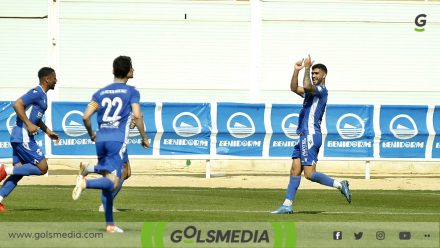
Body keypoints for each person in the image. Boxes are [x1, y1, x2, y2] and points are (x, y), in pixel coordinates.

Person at [72, 56, 149, 233]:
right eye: (133, 68)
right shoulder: (131, 92)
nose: (134, 70)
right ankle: (85, 183)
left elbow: (85, 116)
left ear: (114, 71)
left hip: (101, 138)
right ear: (128, 71)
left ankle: (110, 225)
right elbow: (137, 115)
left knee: (112, 176)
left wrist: (92, 133)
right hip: (117, 139)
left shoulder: (100, 93)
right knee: (113, 181)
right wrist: (144, 137)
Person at [271, 55, 351, 214]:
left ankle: (340, 185)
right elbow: (294, 88)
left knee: (309, 174)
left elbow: (307, 85)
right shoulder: (311, 92)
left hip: (311, 135)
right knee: (295, 169)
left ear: (324, 76)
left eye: (316, 73)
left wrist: (307, 68)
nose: (314, 76)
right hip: (303, 135)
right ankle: (287, 205)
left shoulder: (321, 90)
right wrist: (296, 70)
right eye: (313, 73)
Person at [0, 67, 59, 212]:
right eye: (54, 78)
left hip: (19, 137)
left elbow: (36, 119)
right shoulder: (36, 92)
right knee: (42, 168)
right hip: (23, 137)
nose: (56, 80)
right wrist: (28, 124)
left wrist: (48, 131)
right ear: (47, 79)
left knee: (18, 172)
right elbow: (17, 104)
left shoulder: (43, 95)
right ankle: (4, 170)